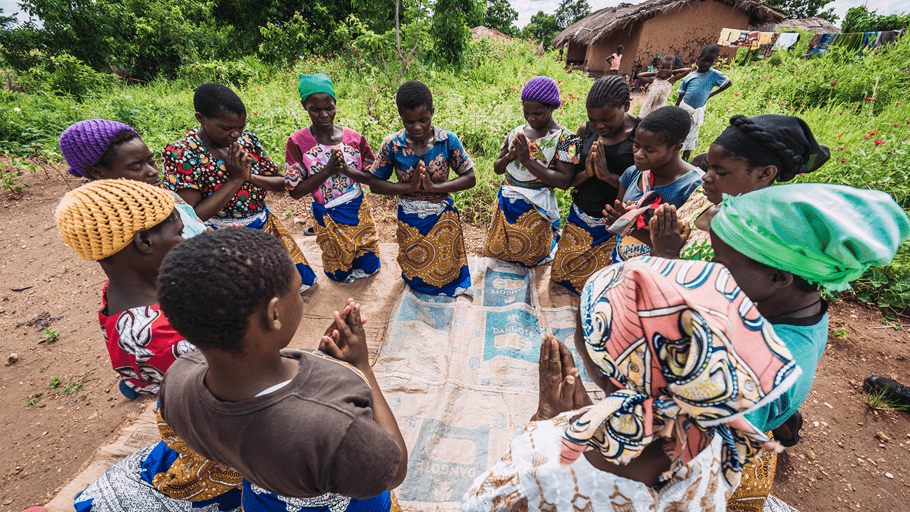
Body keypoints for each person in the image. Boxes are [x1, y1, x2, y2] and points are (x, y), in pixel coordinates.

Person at [463, 256, 800, 510]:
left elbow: (479, 504)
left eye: (582, 330)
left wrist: (546, 421)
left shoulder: (543, 462)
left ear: (606, 367)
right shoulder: (722, 432)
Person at [158, 228, 408, 510]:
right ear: (274, 313)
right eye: (297, 291)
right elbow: (394, 471)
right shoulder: (336, 425)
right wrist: (360, 368)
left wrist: (319, 367)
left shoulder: (177, 381)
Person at [709, 184, 908, 512]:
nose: (712, 270)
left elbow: (704, 453)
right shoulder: (801, 309)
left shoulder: (757, 366)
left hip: (721, 471)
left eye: (722, 264)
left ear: (778, 278)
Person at [55, 181, 244, 511]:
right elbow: (236, 386)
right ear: (144, 241)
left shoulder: (125, 291)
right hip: (214, 423)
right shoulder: (160, 334)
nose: (187, 240)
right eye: (180, 234)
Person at [162, 82, 316, 293]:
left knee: (290, 285)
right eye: (227, 128)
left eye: (240, 127)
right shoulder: (183, 154)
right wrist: (235, 180)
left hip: (264, 228)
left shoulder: (247, 141)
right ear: (201, 118)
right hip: (223, 242)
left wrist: (249, 177)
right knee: (246, 297)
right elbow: (191, 216)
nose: (235, 134)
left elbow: (282, 183)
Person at [649, 115, 824, 263]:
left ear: (765, 173)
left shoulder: (759, 235)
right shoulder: (701, 198)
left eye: (720, 172)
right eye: (709, 167)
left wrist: (668, 255)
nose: (706, 177)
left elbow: (722, 295)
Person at [369, 80, 476, 296]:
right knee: (417, 269)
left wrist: (434, 187)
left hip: (441, 217)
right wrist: (406, 186)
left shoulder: (447, 141)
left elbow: (470, 177)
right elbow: (374, 184)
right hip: (410, 217)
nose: (417, 127)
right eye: (409, 122)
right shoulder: (392, 144)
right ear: (400, 116)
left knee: (446, 270)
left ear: (432, 113)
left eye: (423, 120)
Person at [286, 73, 381, 282]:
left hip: (357, 212)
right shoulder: (298, 142)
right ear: (305, 106)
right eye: (316, 109)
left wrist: (346, 170)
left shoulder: (354, 139)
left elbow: (373, 178)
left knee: (369, 265)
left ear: (335, 104)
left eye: (329, 107)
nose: (324, 115)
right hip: (327, 217)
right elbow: (295, 192)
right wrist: (326, 171)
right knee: (337, 272)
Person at [550, 76, 638, 294]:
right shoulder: (580, 132)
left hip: (613, 225)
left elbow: (644, 186)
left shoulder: (643, 135)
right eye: (593, 119)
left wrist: (607, 175)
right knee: (559, 276)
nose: (599, 126)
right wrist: (587, 173)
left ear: (626, 106)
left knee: (597, 287)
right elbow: (565, 180)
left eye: (607, 120)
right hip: (579, 217)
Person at [483, 76, 578, 267]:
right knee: (499, 250)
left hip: (535, 209)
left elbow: (564, 181)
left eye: (538, 113)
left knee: (530, 256)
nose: (531, 118)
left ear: (552, 107)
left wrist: (526, 160)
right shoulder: (516, 132)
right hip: (507, 204)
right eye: (526, 113)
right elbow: (497, 168)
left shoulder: (569, 139)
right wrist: (510, 156)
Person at [59, 118, 206, 239]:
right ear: (98, 173)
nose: (152, 172)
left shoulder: (167, 196)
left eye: (151, 162)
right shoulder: (121, 226)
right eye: (137, 167)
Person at [603, 106, 703, 263]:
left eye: (649, 150)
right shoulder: (633, 173)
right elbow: (620, 217)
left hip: (658, 270)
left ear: (676, 147)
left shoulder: (695, 188)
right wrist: (618, 220)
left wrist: (629, 227)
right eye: (636, 145)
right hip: (622, 259)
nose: (638, 154)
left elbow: (681, 248)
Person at [675, 44, 732, 161]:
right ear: (698, 59)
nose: (706, 63)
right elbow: (681, 94)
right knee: (679, 132)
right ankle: (674, 156)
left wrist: (710, 94)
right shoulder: (690, 76)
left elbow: (728, 83)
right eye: (704, 60)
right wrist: (675, 109)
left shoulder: (713, 75)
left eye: (710, 61)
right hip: (684, 109)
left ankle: (685, 160)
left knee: (691, 136)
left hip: (697, 111)